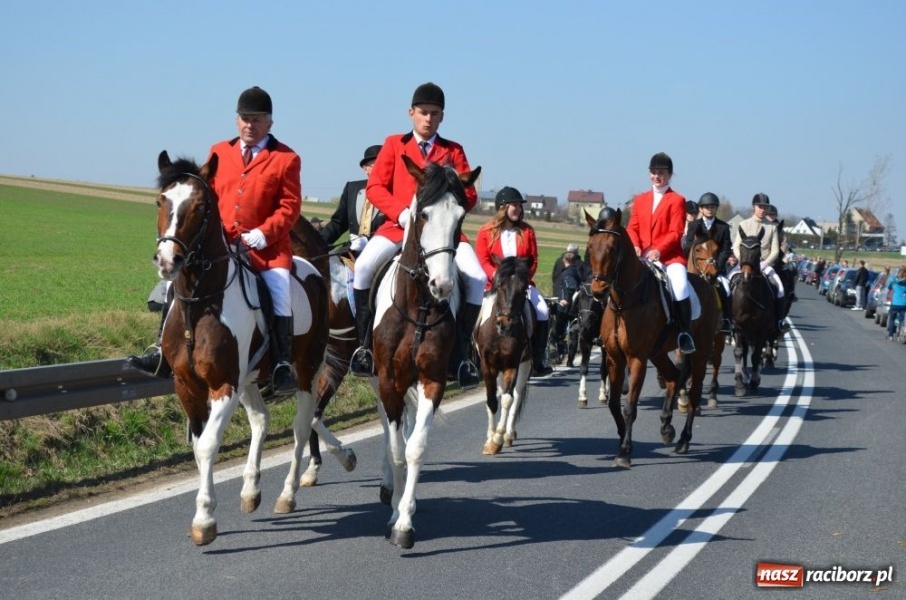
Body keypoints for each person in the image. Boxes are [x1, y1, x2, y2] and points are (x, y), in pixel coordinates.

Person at [129, 86, 302, 396]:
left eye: (257, 120)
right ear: (237, 120)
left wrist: (265, 232)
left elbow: (290, 207)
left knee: (280, 291)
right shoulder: (219, 151)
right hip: (221, 245)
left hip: (266, 249)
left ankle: (281, 365)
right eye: (245, 119)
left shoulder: (286, 158)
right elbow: (203, 197)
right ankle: (160, 351)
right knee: (175, 283)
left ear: (269, 124)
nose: (250, 125)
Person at [348, 82, 485, 388]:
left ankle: (461, 354)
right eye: (423, 113)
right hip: (398, 227)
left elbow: (470, 195)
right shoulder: (394, 145)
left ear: (442, 117)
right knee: (365, 268)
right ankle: (363, 348)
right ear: (411, 113)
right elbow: (375, 187)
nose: (428, 119)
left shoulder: (453, 151)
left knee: (476, 278)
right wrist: (400, 213)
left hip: (442, 236)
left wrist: (450, 204)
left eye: (434, 114)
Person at [475, 186, 552, 376]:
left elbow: (533, 260)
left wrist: (523, 279)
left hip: (520, 285)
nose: (518, 208)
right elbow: (483, 259)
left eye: (519, 205)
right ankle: (470, 361)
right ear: (502, 207)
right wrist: (497, 277)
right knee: (473, 313)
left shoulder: (527, 232)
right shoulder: (486, 231)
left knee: (542, 310)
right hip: (494, 286)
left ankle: (538, 358)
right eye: (514, 205)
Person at [626, 152, 696, 354]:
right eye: (654, 172)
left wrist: (658, 250)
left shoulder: (677, 200)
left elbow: (675, 231)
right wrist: (636, 244)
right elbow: (632, 227)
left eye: (661, 173)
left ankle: (684, 333)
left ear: (670, 174)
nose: (657, 176)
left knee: (680, 286)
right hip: (642, 255)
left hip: (669, 256)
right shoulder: (640, 199)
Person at [731, 193, 791, 335]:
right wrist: (743, 262)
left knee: (780, 288)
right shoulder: (744, 224)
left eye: (765, 207)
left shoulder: (772, 227)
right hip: (745, 264)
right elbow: (736, 246)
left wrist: (765, 264)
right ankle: (727, 320)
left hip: (764, 265)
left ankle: (779, 322)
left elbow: (775, 250)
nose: (762, 210)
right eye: (760, 206)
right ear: (754, 207)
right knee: (727, 285)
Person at [319, 144, 386, 253]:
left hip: (383, 253)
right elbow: (338, 223)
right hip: (353, 251)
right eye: (376, 166)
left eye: (385, 165)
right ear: (366, 169)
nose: (381, 169)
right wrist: (318, 242)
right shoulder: (352, 189)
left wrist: (368, 240)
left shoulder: (395, 192)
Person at [684, 192, 732, 332]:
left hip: (715, 268)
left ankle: (726, 320)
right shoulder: (694, 225)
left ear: (716, 208)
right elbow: (688, 246)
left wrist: (717, 265)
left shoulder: (723, 227)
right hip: (696, 267)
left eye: (712, 207)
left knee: (727, 290)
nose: (709, 209)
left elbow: (725, 249)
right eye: (706, 207)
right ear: (701, 209)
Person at [885, 266, 906, 341]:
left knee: (892, 319)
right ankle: (899, 336)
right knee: (901, 320)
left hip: (895, 302)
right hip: (904, 303)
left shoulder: (894, 280)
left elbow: (889, 287)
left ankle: (890, 336)